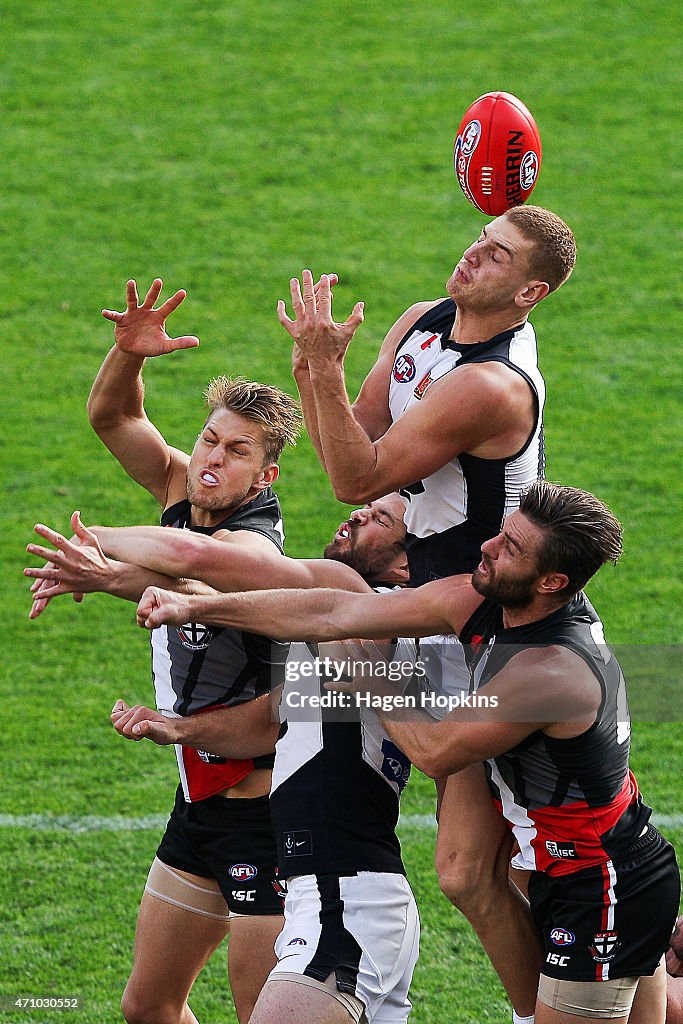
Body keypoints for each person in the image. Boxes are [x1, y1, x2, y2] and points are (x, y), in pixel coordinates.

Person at [133, 481, 680, 1024]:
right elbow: (336, 614)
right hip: (577, 871)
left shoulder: (552, 671)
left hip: (603, 880)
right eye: (501, 533)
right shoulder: (480, 600)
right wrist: (195, 606)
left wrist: (369, 673)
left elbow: (436, 750)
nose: (487, 548)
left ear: (552, 582)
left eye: (510, 548)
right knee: (466, 882)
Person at [279, 205, 577, 1021]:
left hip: (496, 621)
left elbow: (355, 477)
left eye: (497, 256)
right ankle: (539, 1011)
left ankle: (622, 980)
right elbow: (357, 440)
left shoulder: (488, 384)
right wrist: (318, 373)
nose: (473, 255)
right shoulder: (420, 323)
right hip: (444, 611)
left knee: (552, 856)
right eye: (479, 241)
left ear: (530, 292)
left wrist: (320, 372)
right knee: (464, 874)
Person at [27, 496, 422, 1024]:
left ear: (402, 567)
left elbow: (203, 563)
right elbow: (270, 714)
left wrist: (95, 539)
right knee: (147, 1006)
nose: (355, 514)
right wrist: (177, 729)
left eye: (380, 521)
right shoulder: (345, 629)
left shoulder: (355, 601)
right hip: (326, 883)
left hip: (342, 893)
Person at [29, 277, 303, 1024]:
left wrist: (93, 553)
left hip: (266, 816)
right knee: (148, 1007)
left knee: (261, 1013)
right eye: (209, 439)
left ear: (265, 476)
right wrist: (127, 355)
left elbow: (186, 561)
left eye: (236, 451)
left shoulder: (253, 545)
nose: (211, 459)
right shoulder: (188, 490)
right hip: (198, 804)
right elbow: (113, 415)